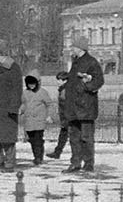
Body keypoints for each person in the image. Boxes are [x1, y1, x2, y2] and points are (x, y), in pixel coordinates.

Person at [65, 34, 105, 174]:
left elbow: (99, 80)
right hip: (74, 107)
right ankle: (75, 163)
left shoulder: (91, 62)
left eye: (73, 47)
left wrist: (86, 86)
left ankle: (88, 164)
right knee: (74, 138)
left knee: (86, 138)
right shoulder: (75, 62)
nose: (72, 49)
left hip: (86, 107)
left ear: (80, 48)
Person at [19, 75, 56, 166]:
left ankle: (38, 157)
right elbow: (24, 104)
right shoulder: (25, 93)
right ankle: (36, 155)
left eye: (33, 83)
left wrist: (49, 115)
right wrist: (21, 110)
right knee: (32, 140)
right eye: (29, 84)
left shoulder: (43, 92)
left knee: (38, 139)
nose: (31, 86)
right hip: (29, 120)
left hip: (39, 120)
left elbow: (50, 104)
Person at [46, 71, 72, 160]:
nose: (57, 82)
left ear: (65, 81)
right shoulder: (63, 89)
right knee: (63, 135)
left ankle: (77, 156)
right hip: (65, 117)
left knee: (71, 136)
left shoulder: (65, 91)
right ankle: (57, 152)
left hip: (68, 117)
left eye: (59, 80)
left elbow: (67, 105)